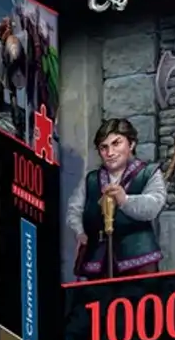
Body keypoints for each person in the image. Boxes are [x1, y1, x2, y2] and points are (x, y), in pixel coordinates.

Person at [66, 118, 166, 279]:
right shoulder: (91, 179)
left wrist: (124, 200)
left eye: (116, 144)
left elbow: (154, 205)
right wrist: (80, 232)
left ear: (131, 144)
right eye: (103, 147)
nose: (110, 153)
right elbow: (74, 209)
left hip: (138, 259)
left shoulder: (148, 173)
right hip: (98, 260)